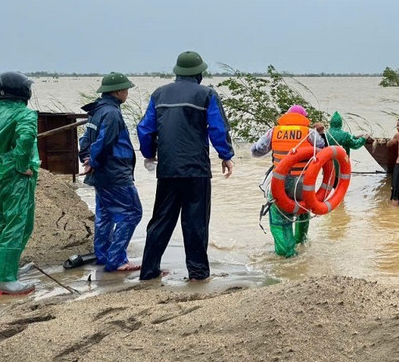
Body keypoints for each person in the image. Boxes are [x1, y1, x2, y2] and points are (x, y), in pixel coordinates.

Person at [136, 51, 235, 281]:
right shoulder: (207, 94)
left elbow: (145, 129)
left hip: (168, 169)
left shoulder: (159, 94)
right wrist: (226, 155)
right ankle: (198, 273)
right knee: (195, 222)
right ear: (199, 73)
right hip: (196, 169)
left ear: (178, 73)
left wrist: (149, 155)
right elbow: (218, 128)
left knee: (160, 220)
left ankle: (149, 271)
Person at [0, 72, 39, 295]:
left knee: (0, 223)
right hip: (15, 176)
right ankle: (4, 278)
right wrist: (22, 164)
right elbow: (25, 139)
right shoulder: (25, 115)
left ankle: (5, 268)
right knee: (18, 224)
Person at [78, 72, 142, 272]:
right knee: (132, 213)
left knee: (104, 214)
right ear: (117, 91)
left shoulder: (97, 111)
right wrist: (94, 161)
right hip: (114, 173)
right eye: (126, 90)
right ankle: (117, 259)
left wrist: (86, 159)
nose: (127, 93)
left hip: (101, 175)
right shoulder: (112, 113)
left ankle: (103, 254)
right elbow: (105, 141)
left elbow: (86, 140)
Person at [251, 105, 326, 257]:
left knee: (279, 217)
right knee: (303, 210)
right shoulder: (309, 133)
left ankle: (286, 253)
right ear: (304, 118)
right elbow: (325, 149)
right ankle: (301, 242)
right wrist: (321, 133)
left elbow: (256, 151)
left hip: (281, 183)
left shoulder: (274, 131)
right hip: (303, 184)